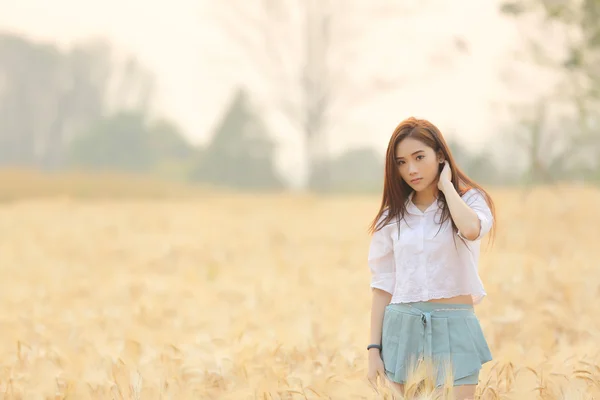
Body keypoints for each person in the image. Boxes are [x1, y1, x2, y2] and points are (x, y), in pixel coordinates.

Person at [365, 117, 496, 400]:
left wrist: (448, 188)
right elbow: (383, 285)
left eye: (419, 157)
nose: (411, 169)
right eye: (401, 162)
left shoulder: (470, 201)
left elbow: (471, 229)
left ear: (440, 155)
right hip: (403, 328)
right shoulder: (391, 218)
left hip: (456, 325)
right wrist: (373, 350)